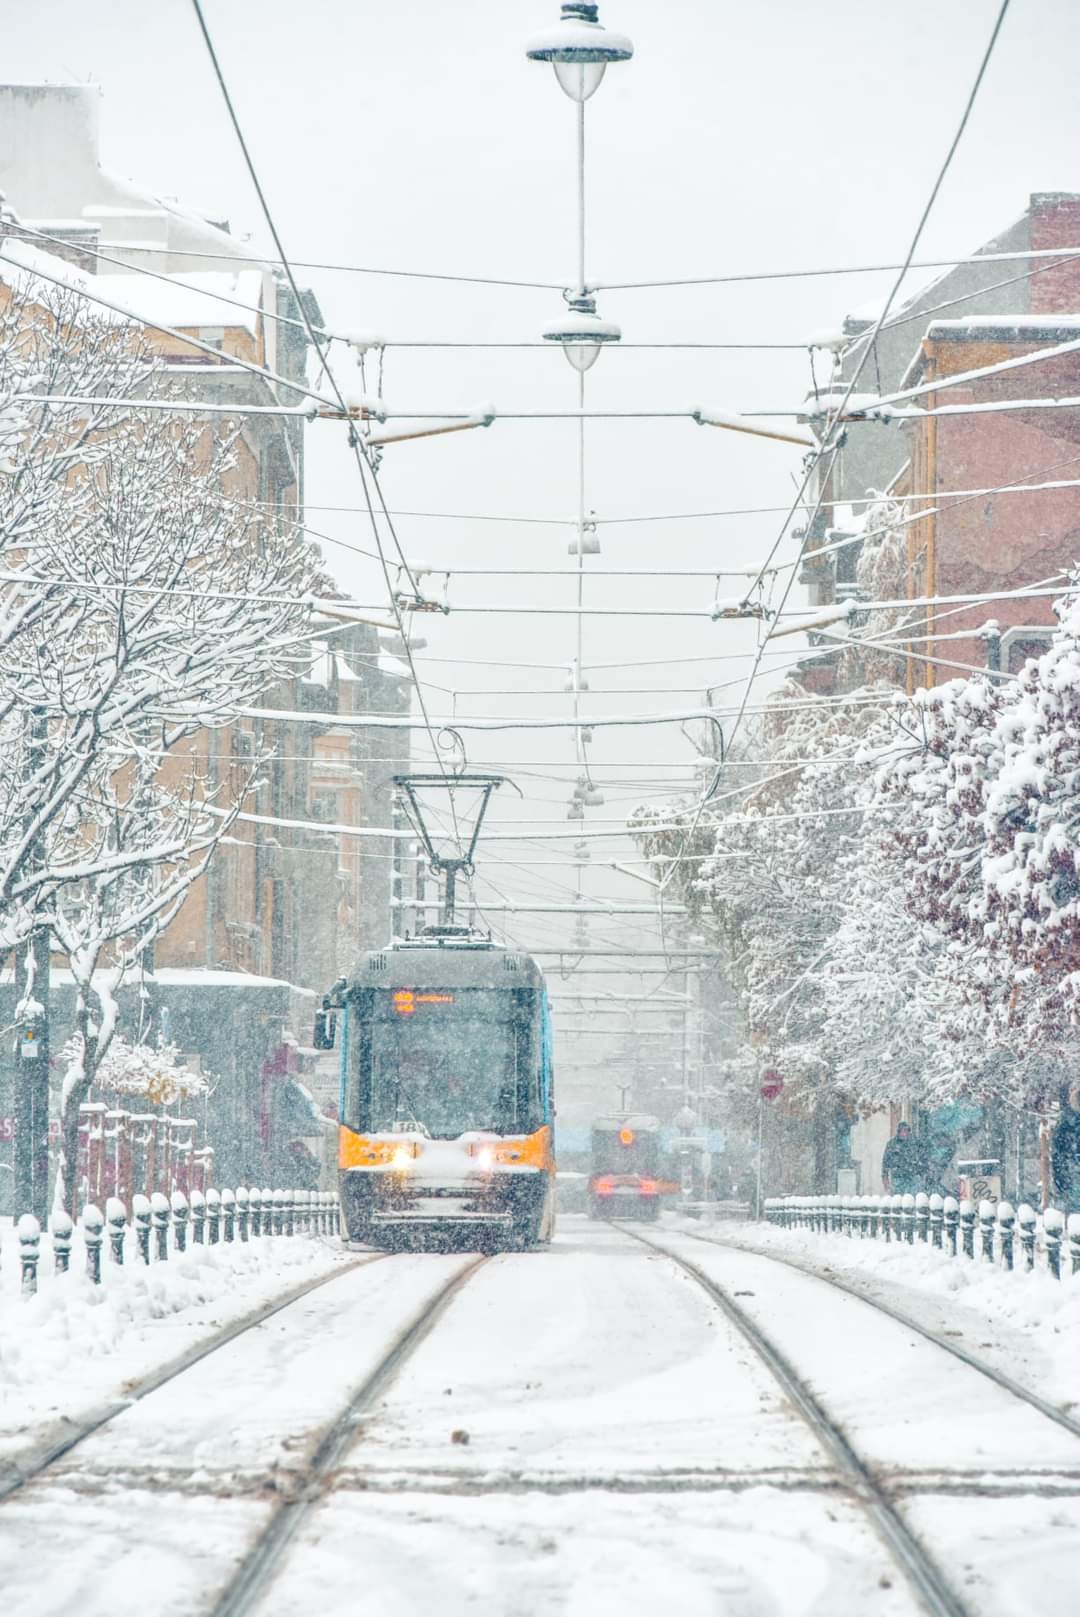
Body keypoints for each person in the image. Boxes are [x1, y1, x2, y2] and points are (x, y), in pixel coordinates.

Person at [1050, 1087, 1080, 1212]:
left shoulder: (1065, 1122)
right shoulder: (1067, 1123)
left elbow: (1057, 1152)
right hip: (1071, 1173)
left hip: (1069, 1172)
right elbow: (1058, 1152)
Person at [882, 1121, 924, 1195]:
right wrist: (885, 1178)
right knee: (898, 1198)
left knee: (912, 1198)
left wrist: (922, 1173)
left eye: (907, 1130)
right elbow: (885, 1162)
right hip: (898, 1178)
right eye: (903, 1130)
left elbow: (923, 1158)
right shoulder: (892, 1144)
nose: (905, 1133)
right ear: (899, 1132)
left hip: (913, 1177)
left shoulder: (916, 1143)